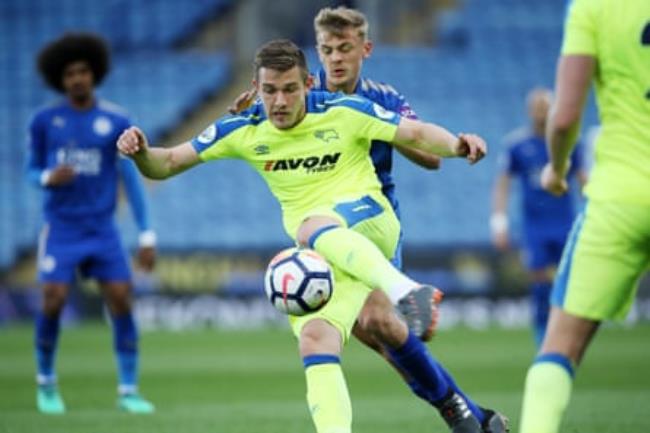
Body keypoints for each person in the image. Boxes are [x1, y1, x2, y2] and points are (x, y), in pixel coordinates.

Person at [119, 39, 490, 433]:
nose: (279, 101)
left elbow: (414, 133)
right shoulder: (243, 129)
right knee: (316, 338)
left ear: (309, 84)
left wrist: (455, 144)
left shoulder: (343, 110)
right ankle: (461, 411)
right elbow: (170, 162)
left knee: (310, 227)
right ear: (256, 88)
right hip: (327, 253)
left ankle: (406, 291)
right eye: (270, 90)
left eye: (290, 89)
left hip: (369, 222)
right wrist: (141, 152)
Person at [230, 7, 507, 433]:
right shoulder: (297, 93)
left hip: (370, 224)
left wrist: (384, 126)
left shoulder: (383, 98)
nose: (335, 58)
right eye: (326, 50)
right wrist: (251, 112)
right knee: (379, 339)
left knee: (378, 321)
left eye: (345, 49)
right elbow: (257, 129)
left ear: (366, 49)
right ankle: (466, 411)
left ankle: (459, 410)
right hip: (323, 229)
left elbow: (430, 157)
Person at [519, 1, 650, 432]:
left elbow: (566, 117)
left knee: (558, 350)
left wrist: (556, 170)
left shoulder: (594, 6)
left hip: (622, 197)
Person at [28, 33, 157, 414]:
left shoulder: (115, 121)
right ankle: (46, 383)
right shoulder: (44, 121)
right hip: (61, 228)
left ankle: (129, 390)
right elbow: (30, 171)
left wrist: (147, 234)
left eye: (83, 71)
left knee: (120, 299)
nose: (78, 79)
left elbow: (131, 179)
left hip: (103, 231)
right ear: (60, 79)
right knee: (52, 301)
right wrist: (47, 178)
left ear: (94, 74)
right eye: (70, 74)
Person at [491, 88, 587, 347]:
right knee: (539, 281)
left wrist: (594, 212)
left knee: (569, 280)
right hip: (535, 225)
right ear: (529, 111)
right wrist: (499, 222)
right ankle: (541, 335)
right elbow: (503, 184)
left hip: (565, 221)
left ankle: (568, 334)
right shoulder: (517, 145)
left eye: (545, 107)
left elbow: (583, 179)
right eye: (537, 107)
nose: (541, 112)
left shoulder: (570, 142)